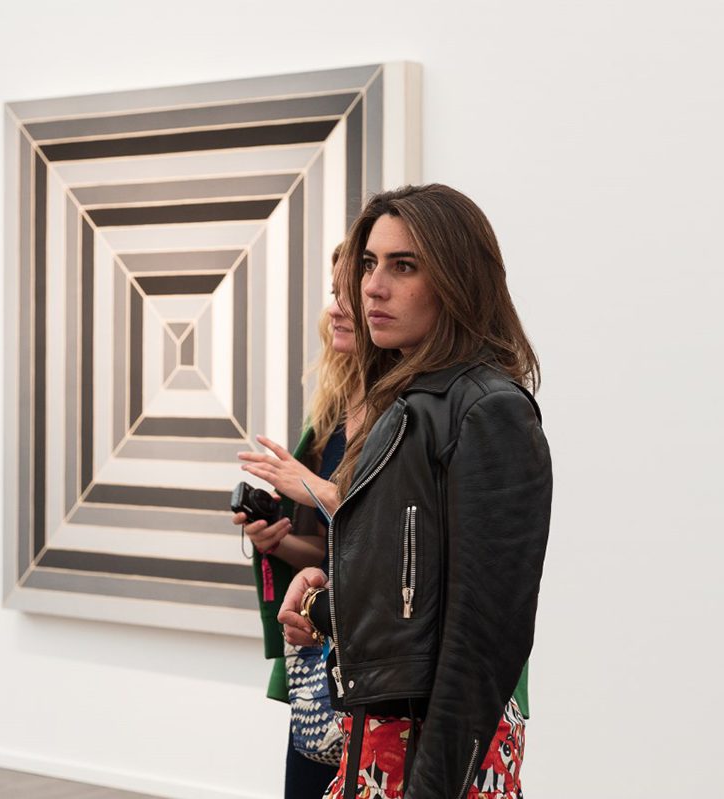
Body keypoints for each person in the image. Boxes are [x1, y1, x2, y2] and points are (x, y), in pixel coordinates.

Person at [278, 185, 553, 799]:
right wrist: (328, 597)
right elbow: (414, 599)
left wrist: (434, 785)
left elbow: (487, 637)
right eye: (370, 264)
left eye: (404, 266)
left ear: (458, 279)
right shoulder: (407, 405)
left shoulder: (488, 410)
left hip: (437, 752)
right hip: (379, 738)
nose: (372, 286)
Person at [235, 248, 366, 799]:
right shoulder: (331, 415)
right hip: (324, 654)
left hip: (381, 665)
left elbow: (403, 533)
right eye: (334, 294)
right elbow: (332, 550)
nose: (336, 310)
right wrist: (281, 541)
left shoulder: (417, 410)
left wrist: (310, 486)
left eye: (349, 296)